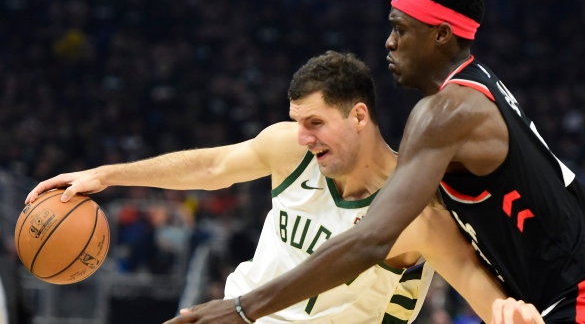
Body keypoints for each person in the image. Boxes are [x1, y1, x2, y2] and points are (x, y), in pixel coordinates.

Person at [156, 0, 585, 324]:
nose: (389, 42)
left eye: (401, 29)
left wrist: (242, 308)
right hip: (562, 296)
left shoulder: (445, 112)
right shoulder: (475, 92)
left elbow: (371, 241)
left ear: (441, 34)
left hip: (579, 301)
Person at [25, 51, 511, 323]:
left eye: (316, 122)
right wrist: (106, 175)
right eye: (298, 121)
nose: (303, 136)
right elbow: (214, 167)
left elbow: (468, 274)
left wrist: (510, 313)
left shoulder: (411, 206)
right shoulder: (292, 149)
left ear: (359, 116)